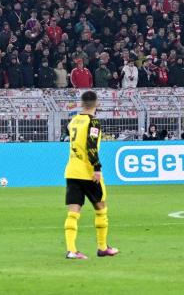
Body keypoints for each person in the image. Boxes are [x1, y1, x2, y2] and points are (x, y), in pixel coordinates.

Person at [63, 91, 119, 259]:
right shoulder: (93, 122)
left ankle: (72, 250)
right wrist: (97, 167)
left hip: (72, 170)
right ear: (97, 104)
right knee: (101, 208)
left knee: (73, 211)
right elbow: (91, 145)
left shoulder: (73, 121)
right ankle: (102, 247)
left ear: (81, 103)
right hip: (88, 172)